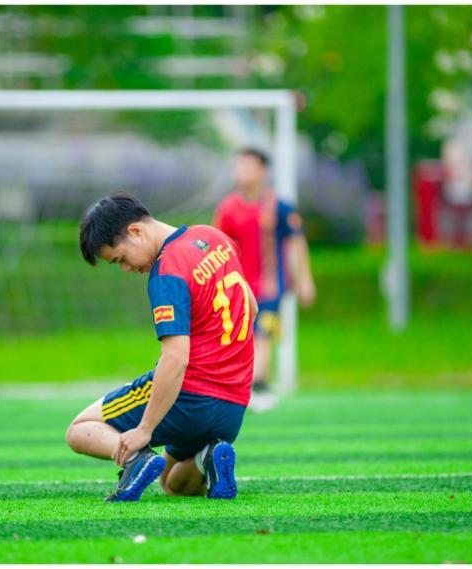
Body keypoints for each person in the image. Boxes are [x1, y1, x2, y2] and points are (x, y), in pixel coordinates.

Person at [68, 192, 257, 502]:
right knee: (172, 483)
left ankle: (134, 460)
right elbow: (250, 308)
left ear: (135, 231)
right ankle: (207, 457)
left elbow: (176, 357)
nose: (127, 269)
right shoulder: (213, 237)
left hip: (190, 399)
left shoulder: (167, 271)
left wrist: (144, 430)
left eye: (120, 259)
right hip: (234, 405)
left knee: (79, 429)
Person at [213, 148, 316, 412]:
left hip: (272, 287)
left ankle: (259, 385)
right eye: (240, 166)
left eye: (248, 166)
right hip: (237, 286)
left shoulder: (279, 206)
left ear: (262, 171)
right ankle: (236, 386)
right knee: (238, 336)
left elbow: (296, 241)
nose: (242, 171)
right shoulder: (228, 208)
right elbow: (217, 246)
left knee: (265, 334)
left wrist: (304, 279)